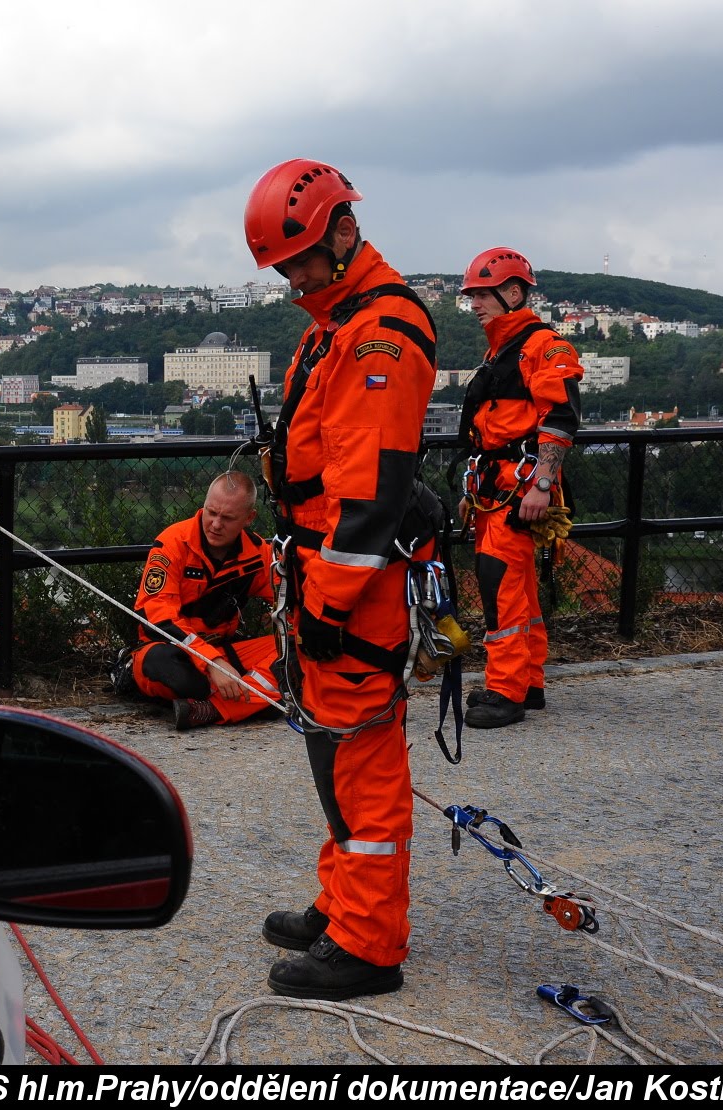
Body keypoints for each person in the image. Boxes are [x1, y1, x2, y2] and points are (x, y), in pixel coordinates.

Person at [242, 158, 441, 1001]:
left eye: (297, 263)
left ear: (341, 232)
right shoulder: (337, 323)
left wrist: (325, 604)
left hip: (353, 586)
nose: (291, 279)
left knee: (361, 762)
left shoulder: (378, 335)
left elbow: (369, 497)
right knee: (333, 753)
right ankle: (343, 905)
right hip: (323, 569)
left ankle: (368, 944)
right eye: (282, 268)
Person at [456, 247, 583, 729]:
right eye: (472, 296)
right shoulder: (503, 348)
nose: (474, 305)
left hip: (519, 489)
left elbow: (561, 420)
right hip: (497, 489)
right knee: (519, 591)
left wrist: (543, 485)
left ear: (513, 292)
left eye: (482, 295)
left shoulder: (543, 347)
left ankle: (505, 691)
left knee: (502, 588)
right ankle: (527, 682)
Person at [112, 470, 281, 729]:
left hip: (223, 650)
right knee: (183, 678)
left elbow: (290, 595)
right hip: (173, 650)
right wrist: (212, 662)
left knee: (295, 651)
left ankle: (212, 709)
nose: (215, 524)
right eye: (211, 512)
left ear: (249, 518)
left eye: (227, 518)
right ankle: (254, 700)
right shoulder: (174, 543)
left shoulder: (257, 554)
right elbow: (156, 615)